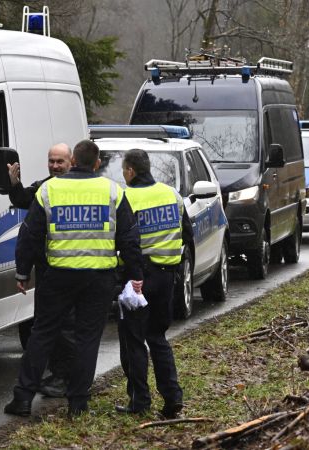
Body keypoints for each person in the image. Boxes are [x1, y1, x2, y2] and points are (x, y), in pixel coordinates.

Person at [4, 140, 145, 417]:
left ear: (73, 161)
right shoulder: (112, 191)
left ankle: (22, 398)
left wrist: (22, 272)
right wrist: (135, 275)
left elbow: (29, 234)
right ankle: (78, 403)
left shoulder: (49, 189)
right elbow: (129, 237)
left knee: (42, 334)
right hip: (99, 278)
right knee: (87, 339)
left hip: (58, 276)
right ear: (96, 164)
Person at [115, 149, 192, 419]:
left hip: (139, 279)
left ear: (131, 171)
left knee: (133, 340)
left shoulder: (128, 197)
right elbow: (186, 234)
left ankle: (139, 401)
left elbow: (126, 242)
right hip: (168, 276)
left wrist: (131, 274)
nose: (123, 175)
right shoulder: (172, 194)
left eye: (124, 170)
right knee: (158, 338)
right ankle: (173, 399)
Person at [8, 143, 75, 398]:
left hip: (73, 270)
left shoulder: (82, 187)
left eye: (60, 161)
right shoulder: (45, 187)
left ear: (71, 162)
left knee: (65, 329)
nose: (55, 166)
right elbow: (25, 202)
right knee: (54, 328)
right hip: (49, 270)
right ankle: (62, 377)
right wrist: (14, 184)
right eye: (52, 161)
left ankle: (66, 380)